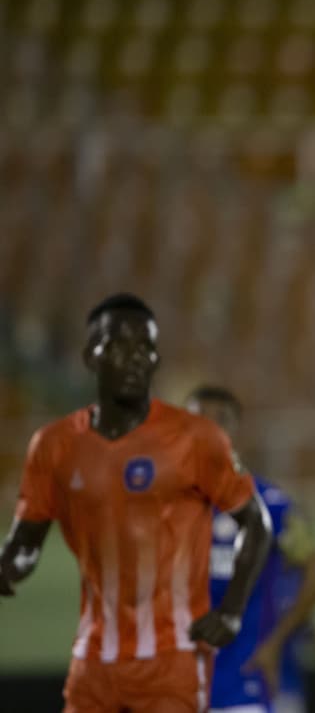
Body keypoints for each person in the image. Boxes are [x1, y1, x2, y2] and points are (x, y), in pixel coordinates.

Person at [0, 293, 272, 713]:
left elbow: (256, 524)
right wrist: (9, 567)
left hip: (172, 658)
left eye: (146, 347)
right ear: (91, 357)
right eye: (120, 346)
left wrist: (231, 611)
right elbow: (26, 540)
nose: (136, 358)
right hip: (93, 659)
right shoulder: (54, 446)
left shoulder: (195, 438)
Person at [186, 385, 315, 713]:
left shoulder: (270, 503)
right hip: (177, 687)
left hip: (243, 687)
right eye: (199, 420)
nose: (210, 430)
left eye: (221, 420)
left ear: (237, 431)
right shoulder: (167, 505)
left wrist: (276, 642)